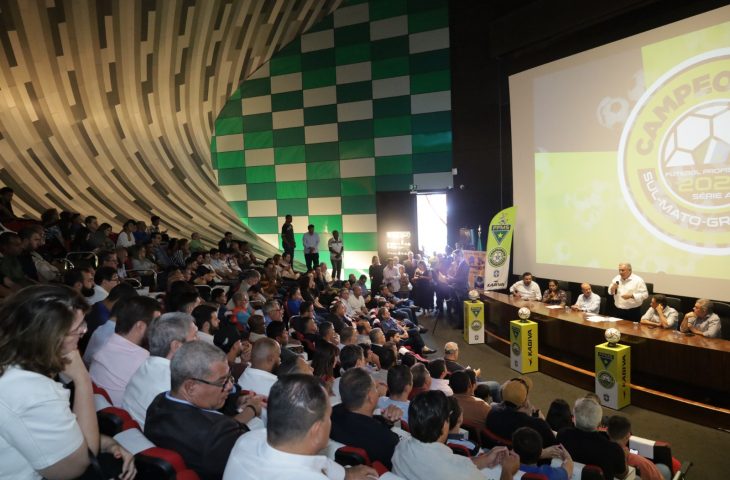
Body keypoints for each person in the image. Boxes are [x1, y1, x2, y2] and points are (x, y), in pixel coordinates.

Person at [0, 285, 136, 480]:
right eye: (77, 328)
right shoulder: (31, 390)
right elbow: (77, 465)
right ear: (49, 337)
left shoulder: (14, 366)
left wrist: (105, 442)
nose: (84, 331)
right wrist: (82, 379)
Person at [144, 341, 263, 480]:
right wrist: (251, 410)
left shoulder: (158, 402)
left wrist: (233, 400)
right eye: (222, 382)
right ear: (191, 387)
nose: (230, 386)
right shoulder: (219, 433)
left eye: (230, 378)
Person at [223, 374, 376, 480]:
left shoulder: (248, 439)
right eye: (328, 417)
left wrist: (345, 474)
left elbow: (313, 463)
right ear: (316, 430)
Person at [392, 390, 516, 480]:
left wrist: (485, 459)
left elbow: (454, 465)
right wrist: (507, 471)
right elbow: (457, 469)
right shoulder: (464, 474)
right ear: (444, 424)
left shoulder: (401, 447)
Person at [122, 312, 198, 428]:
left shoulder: (146, 366)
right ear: (177, 346)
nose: (199, 342)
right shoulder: (173, 387)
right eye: (194, 336)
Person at [89, 296, 161, 405]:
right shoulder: (143, 362)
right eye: (156, 324)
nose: (159, 329)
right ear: (140, 326)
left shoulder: (105, 346)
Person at [330, 367, 401, 468]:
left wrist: (386, 421)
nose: (378, 391)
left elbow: (361, 422)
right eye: (375, 388)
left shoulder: (331, 414)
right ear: (370, 397)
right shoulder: (387, 440)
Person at [557, 397, 628, 480]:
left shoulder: (562, 435)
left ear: (574, 419)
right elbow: (622, 475)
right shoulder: (613, 449)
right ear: (599, 423)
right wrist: (624, 457)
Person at [485, 377, 557, 448]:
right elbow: (553, 444)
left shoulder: (491, 412)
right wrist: (542, 420)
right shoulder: (538, 424)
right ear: (525, 402)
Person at [607, 415, 670, 480]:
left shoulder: (600, 451)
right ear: (628, 436)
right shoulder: (642, 463)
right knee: (664, 469)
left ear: (607, 432)